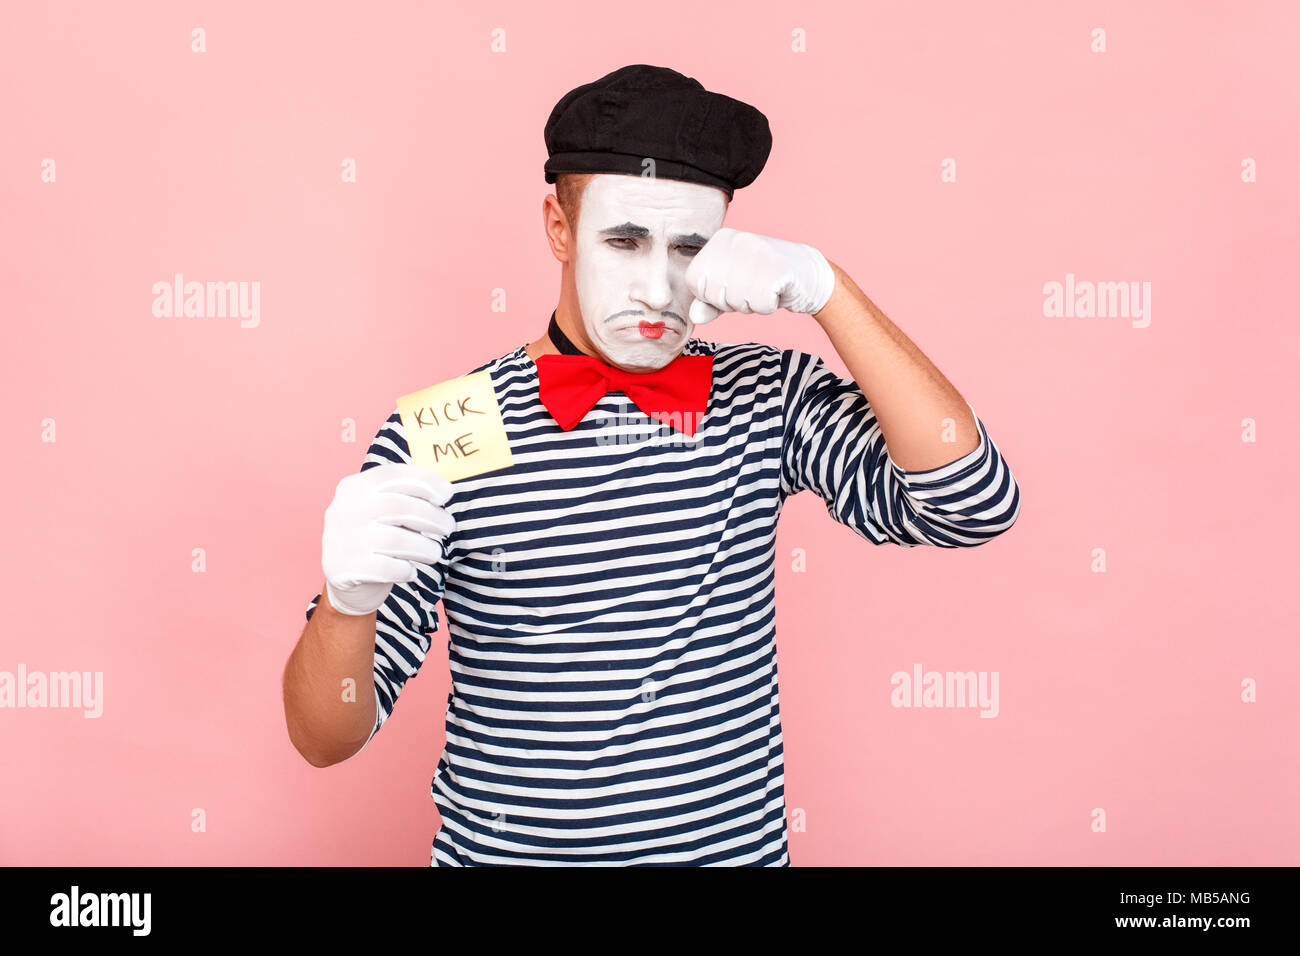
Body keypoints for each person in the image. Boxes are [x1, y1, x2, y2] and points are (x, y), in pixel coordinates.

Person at [282, 64, 1021, 866]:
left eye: (690, 248)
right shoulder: (446, 430)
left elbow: (971, 503)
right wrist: (347, 603)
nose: (658, 288)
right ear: (558, 230)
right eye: (623, 241)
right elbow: (326, 741)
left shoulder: (762, 396)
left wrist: (827, 290)